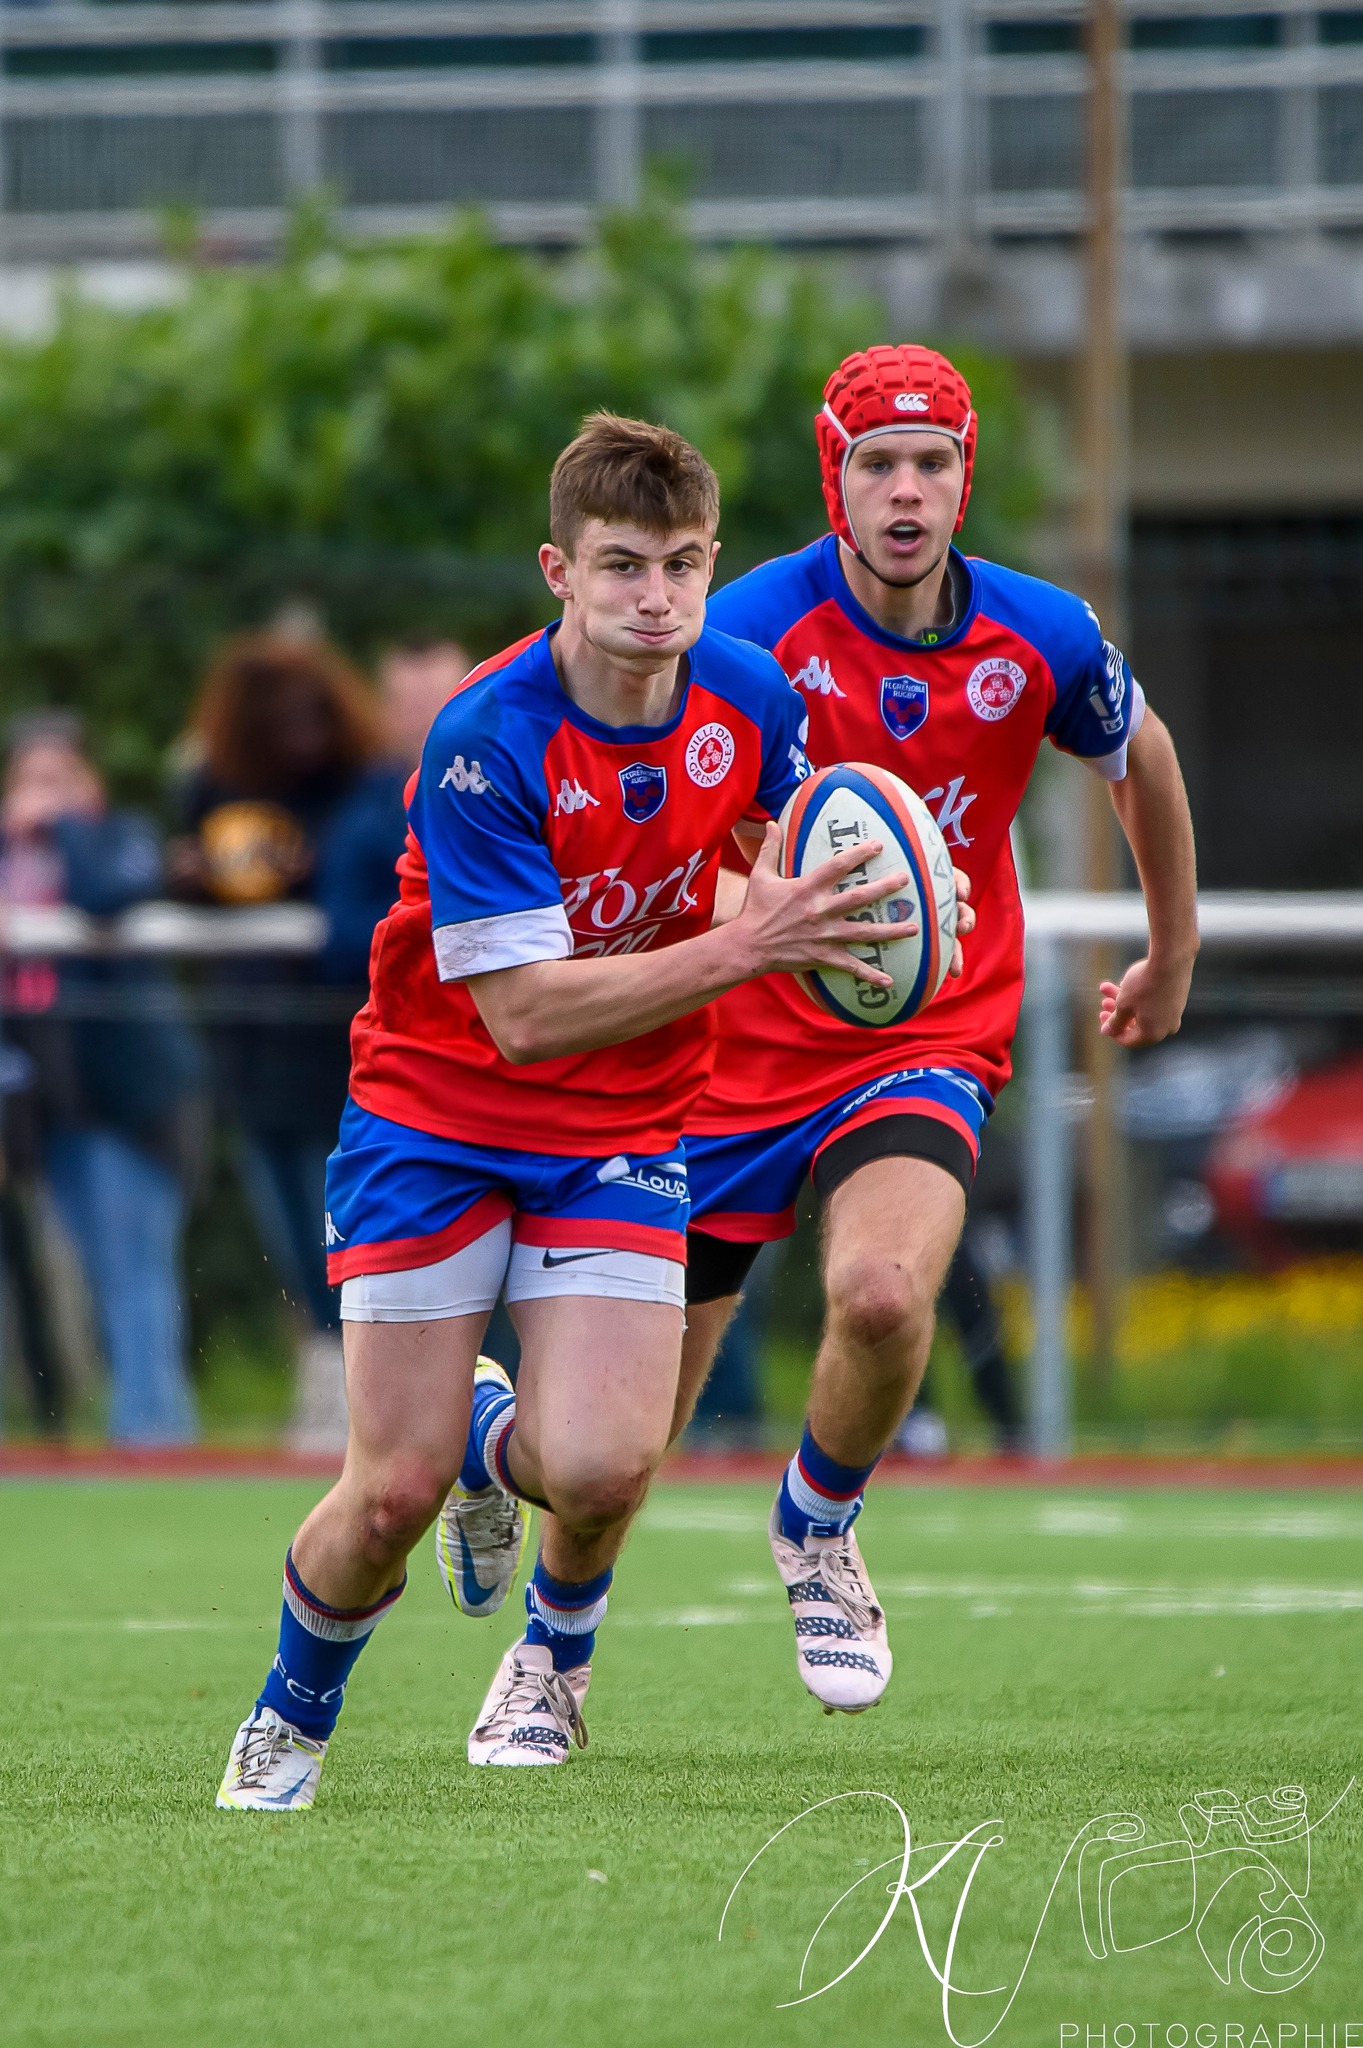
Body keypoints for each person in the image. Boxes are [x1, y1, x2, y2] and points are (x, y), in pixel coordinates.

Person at [215, 411, 938, 1810]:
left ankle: (509, 1463)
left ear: (711, 562)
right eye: (619, 567)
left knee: (605, 1468)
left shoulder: (750, 698)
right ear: (558, 570)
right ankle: (290, 1719)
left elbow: (791, 869)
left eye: (678, 565)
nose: (652, 598)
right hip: (434, 1114)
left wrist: (892, 903)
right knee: (389, 1494)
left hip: (620, 1121)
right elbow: (527, 1013)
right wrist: (747, 946)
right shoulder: (487, 736)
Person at [464, 344, 1198, 1717]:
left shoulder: (1038, 633)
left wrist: (1169, 947)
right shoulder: (738, 630)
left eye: (932, 463)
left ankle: (814, 1525)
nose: (906, 492)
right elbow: (665, 813)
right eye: (877, 465)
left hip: (923, 1035)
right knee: (611, 1454)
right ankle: (550, 1642)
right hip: (726, 1052)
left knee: (878, 1296)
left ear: (963, 474)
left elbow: (1136, 755)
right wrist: (783, 903)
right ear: (832, 475)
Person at [171, 635, 408, 1450]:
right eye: (281, 720)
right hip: (249, 1039)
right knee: (287, 1230)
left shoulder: (363, 789)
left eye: (312, 714)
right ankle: (322, 1382)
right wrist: (192, 879)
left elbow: (365, 891)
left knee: (335, 1228)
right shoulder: (212, 787)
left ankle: (363, 1398)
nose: (300, 733)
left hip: (336, 1044)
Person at [0, 712, 203, 1443]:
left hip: (131, 1103)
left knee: (135, 1272)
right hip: (51, 1109)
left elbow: (103, 895)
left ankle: (152, 1439)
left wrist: (65, 829)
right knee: (91, 1275)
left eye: (60, 779)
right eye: (31, 780)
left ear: (89, 783)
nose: (42, 797)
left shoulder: (119, 838)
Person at [379, 639, 471, 772]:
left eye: (440, 704)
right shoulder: (356, 787)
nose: (426, 720)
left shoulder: (501, 783)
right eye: (412, 708)